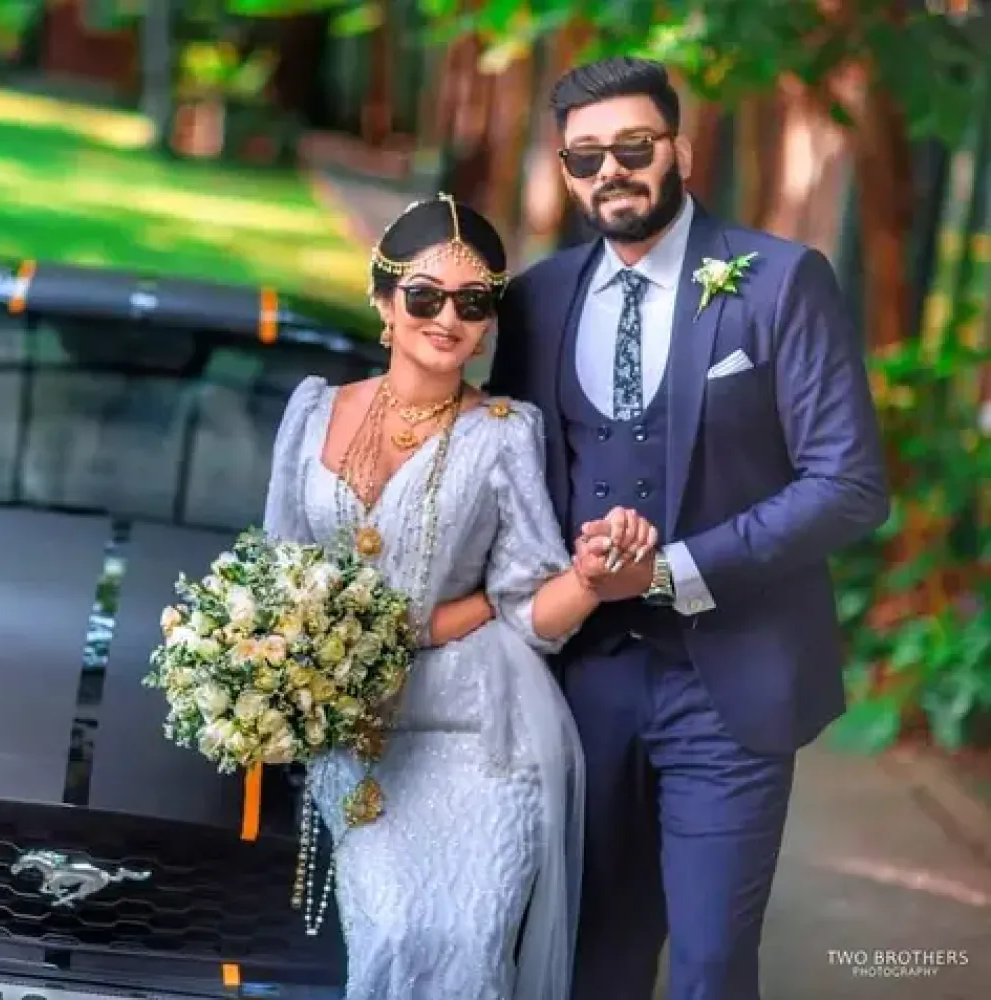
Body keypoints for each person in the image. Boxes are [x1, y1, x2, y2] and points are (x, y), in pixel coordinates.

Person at [487, 57, 890, 1000]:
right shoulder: (537, 301)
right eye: (586, 156)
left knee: (710, 965)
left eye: (634, 147)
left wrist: (672, 570)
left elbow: (849, 484)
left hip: (729, 686)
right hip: (583, 684)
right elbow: (507, 483)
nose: (611, 171)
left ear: (682, 151)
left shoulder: (779, 283)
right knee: (591, 960)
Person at [262, 193, 657, 1000]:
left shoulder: (505, 432)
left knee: (472, 945)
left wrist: (587, 577)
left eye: (472, 303)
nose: (448, 318)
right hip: (364, 735)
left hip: (484, 732)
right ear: (384, 301)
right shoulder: (312, 412)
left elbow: (529, 609)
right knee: (393, 931)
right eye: (425, 296)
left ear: (488, 324)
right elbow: (278, 574)